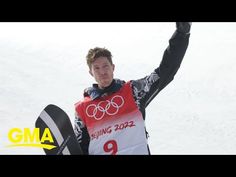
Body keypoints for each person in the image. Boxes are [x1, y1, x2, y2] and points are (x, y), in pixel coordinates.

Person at [74, 22, 192, 155]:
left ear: (113, 67)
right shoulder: (82, 109)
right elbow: (79, 148)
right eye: (96, 68)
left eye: (105, 66)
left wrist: (182, 34)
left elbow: (165, 71)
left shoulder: (133, 91)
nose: (102, 71)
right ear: (91, 73)